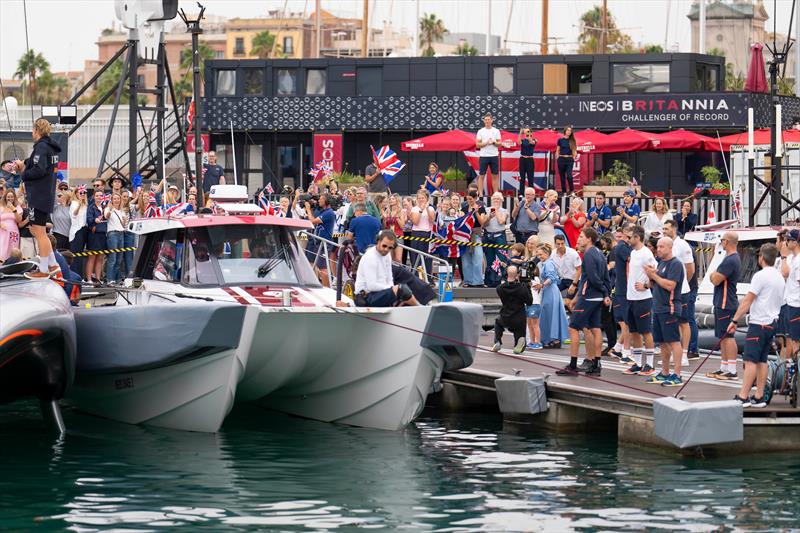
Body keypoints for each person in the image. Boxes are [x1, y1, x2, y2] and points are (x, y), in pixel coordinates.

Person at [729, 243, 785, 407]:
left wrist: (734, 320)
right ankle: (759, 396)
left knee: (750, 360)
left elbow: (748, 300)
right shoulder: (779, 276)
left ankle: (743, 396)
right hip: (772, 323)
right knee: (762, 361)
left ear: (761, 257)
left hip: (759, 323)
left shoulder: (760, 276)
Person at [11, 118, 62, 278]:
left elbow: (38, 170)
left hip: (39, 195)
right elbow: (37, 162)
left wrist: (23, 173)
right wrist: (24, 162)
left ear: (37, 131)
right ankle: (53, 265)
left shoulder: (41, 146)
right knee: (36, 229)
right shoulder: (49, 147)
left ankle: (45, 269)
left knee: (39, 232)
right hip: (44, 194)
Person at [557, 228, 611, 376]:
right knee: (595, 328)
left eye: (581, 237)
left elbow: (592, 279)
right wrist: (605, 293)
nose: (579, 239)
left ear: (589, 239)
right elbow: (605, 278)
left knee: (573, 327)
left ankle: (573, 365)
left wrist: (582, 296)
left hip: (589, 297)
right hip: (597, 297)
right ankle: (596, 365)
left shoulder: (588, 255)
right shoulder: (600, 254)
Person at [644, 237, 685, 386]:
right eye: (658, 246)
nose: (658, 249)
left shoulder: (676, 264)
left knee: (674, 341)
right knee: (662, 342)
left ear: (670, 247)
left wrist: (654, 275)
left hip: (670, 308)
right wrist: (649, 280)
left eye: (662, 247)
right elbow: (655, 284)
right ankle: (665, 372)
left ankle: (677, 375)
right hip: (658, 308)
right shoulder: (661, 264)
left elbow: (670, 286)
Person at [622, 225, 658, 377]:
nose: (627, 239)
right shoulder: (633, 252)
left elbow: (655, 271)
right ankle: (637, 363)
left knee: (645, 331)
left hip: (643, 299)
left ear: (637, 237)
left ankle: (649, 364)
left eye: (629, 237)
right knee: (634, 331)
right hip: (631, 297)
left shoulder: (646, 253)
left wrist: (646, 285)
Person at [707, 231, 741, 381]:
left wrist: (713, 274)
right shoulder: (730, 258)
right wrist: (713, 274)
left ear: (727, 242)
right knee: (722, 337)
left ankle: (732, 370)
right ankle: (724, 367)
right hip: (722, 302)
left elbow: (715, 279)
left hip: (726, 303)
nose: (721, 242)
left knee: (728, 336)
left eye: (722, 240)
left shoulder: (730, 260)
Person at [662, 219, 695, 367]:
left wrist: (681, 283)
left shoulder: (682, 245)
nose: (664, 231)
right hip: (668, 291)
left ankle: (685, 354)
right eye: (663, 229)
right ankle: (672, 353)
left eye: (667, 229)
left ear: (674, 229)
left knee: (683, 322)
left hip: (681, 291)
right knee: (671, 322)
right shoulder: (663, 244)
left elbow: (690, 269)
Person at [354, 230, 418, 307]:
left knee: (405, 292)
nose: (386, 249)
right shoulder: (370, 257)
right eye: (384, 246)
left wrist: (392, 290)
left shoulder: (387, 255)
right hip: (365, 297)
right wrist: (392, 289)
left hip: (378, 293)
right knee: (401, 289)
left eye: (390, 248)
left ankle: (419, 309)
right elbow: (371, 286)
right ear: (378, 242)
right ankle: (421, 308)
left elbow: (389, 278)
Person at [491, 265, 532, 354]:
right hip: (519, 317)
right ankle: (519, 342)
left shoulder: (500, 288)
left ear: (506, 274)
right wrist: (528, 288)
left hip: (505, 315)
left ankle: (497, 341)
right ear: (517, 275)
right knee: (520, 331)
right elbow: (529, 302)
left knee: (498, 322)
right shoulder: (522, 288)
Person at [608, 226, 633, 364]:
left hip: (621, 288)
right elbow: (633, 260)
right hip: (623, 290)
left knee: (625, 322)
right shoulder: (623, 247)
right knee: (626, 323)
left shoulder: (621, 247)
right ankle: (626, 352)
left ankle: (618, 348)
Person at [537, 243, 570, 349]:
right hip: (550, 290)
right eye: (538, 255)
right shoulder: (547, 263)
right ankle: (553, 338)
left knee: (550, 314)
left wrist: (542, 285)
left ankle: (553, 339)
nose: (539, 257)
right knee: (550, 314)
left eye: (541, 254)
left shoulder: (548, 264)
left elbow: (551, 278)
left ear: (547, 254)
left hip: (550, 290)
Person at [304, 193, 336, 287]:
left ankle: (327, 289)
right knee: (318, 266)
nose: (319, 201)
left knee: (323, 268)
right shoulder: (323, 211)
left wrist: (308, 209)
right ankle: (321, 285)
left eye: (321, 199)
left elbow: (312, 221)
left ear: (327, 201)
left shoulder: (329, 213)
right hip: (318, 243)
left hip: (324, 243)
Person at [461, 190, 488, 287]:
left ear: (475, 198)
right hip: (465, 235)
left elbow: (482, 223)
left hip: (476, 234)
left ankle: (478, 281)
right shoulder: (463, 208)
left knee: (478, 257)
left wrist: (476, 212)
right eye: (467, 199)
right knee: (466, 259)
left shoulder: (481, 208)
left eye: (471, 199)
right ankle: (468, 281)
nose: (469, 201)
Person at [408, 189, 436, 279]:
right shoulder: (414, 209)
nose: (421, 199)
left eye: (423, 198)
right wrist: (421, 210)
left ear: (427, 198)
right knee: (415, 256)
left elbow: (432, 220)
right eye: (419, 198)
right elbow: (415, 222)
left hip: (427, 234)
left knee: (427, 257)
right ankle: (417, 278)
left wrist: (426, 208)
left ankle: (428, 278)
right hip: (416, 233)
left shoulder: (431, 208)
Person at [483, 192, 509, 288]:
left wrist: (497, 211)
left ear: (501, 200)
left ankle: (500, 281)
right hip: (488, 236)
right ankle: (490, 281)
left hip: (500, 236)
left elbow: (501, 221)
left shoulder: (504, 211)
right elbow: (484, 224)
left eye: (498, 199)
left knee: (502, 259)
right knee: (490, 259)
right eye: (494, 199)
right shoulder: (487, 209)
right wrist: (489, 216)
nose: (496, 201)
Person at [104, 192, 129, 282]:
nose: (116, 200)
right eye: (114, 199)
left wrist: (124, 221)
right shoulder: (108, 208)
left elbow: (124, 225)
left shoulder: (122, 211)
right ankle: (109, 279)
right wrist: (110, 210)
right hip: (112, 234)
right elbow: (106, 217)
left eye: (118, 199)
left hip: (121, 234)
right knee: (112, 258)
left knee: (119, 259)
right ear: (112, 200)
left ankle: (116, 278)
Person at [476, 113, 502, 196]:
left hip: (494, 155)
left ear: (492, 120)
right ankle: (480, 194)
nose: (487, 121)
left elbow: (500, 144)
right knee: (481, 175)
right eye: (486, 120)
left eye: (488, 119)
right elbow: (477, 145)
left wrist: (493, 142)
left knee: (495, 175)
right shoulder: (480, 131)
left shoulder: (496, 131)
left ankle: (495, 193)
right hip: (483, 156)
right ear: (484, 121)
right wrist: (486, 142)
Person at [85, 189, 108, 282]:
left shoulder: (105, 208)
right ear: (94, 197)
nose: (99, 197)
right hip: (94, 234)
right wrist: (95, 220)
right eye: (97, 195)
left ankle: (98, 278)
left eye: (100, 195)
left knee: (100, 257)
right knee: (92, 257)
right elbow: (89, 219)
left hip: (103, 234)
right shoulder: (91, 207)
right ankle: (89, 278)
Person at [69, 185, 89, 277]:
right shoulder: (74, 203)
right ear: (76, 194)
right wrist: (79, 204)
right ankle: (75, 275)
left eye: (84, 192)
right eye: (80, 193)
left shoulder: (86, 204)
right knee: (76, 254)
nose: (82, 194)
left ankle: (80, 275)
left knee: (80, 254)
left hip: (84, 229)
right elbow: (74, 215)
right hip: (77, 230)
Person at [0, 188, 23, 262]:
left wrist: (13, 209)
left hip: (13, 233)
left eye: (12, 196)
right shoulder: (1, 208)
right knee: (2, 251)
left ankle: (12, 267)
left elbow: (19, 220)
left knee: (12, 251)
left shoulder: (18, 208)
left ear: (14, 198)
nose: (10, 198)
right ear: (5, 197)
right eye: (8, 196)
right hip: (2, 232)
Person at [383, 193, 406, 263]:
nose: (391, 200)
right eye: (390, 199)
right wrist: (385, 219)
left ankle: (399, 273)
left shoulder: (401, 211)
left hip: (398, 236)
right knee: (390, 258)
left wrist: (396, 216)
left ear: (397, 200)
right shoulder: (388, 211)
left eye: (393, 199)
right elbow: (385, 226)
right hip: (389, 236)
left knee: (398, 259)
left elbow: (402, 226)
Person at [556, 126, 577, 194]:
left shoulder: (572, 141)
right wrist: (557, 157)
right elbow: (558, 150)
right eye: (568, 130)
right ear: (565, 131)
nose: (569, 132)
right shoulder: (560, 140)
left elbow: (574, 151)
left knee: (569, 176)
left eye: (570, 131)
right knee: (562, 176)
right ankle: (564, 192)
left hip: (569, 159)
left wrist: (573, 158)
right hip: (561, 159)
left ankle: (572, 190)